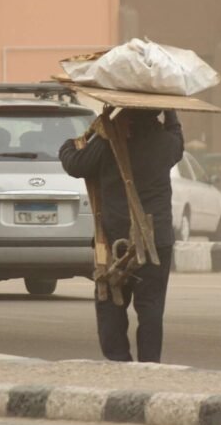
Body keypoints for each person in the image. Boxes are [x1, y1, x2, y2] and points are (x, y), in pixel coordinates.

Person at [59, 109, 183, 363]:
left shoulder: (107, 143)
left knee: (110, 304)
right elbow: (177, 134)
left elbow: (75, 164)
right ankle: (149, 364)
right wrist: (171, 112)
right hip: (156, 241)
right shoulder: (166, 143)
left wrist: (69, 145)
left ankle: (118, 361)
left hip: (115, 241)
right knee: (151, 308)